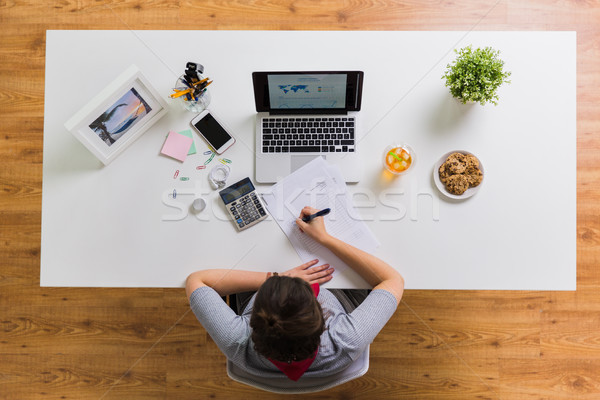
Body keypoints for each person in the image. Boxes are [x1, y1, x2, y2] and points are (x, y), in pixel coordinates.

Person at [186, 206, 404, 382]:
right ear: (322, 321)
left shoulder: (236, 339)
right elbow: (393, 280)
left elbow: (197, 280)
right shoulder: (346, 339)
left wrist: (273, 277)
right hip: (338, 295)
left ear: (251, 323)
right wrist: (324, 238)